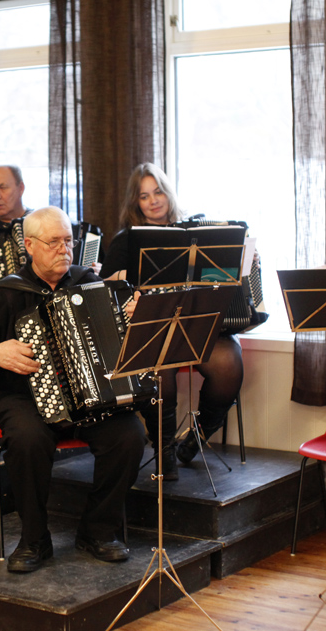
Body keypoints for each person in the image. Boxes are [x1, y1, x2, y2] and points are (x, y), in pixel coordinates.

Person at [0, 206, 147, 573]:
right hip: (23, 398)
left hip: (90, 399)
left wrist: (129, 317)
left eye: (68, 241)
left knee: (129, 434)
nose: (64, 249)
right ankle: (34, 537)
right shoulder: (7, 293)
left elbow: (118, 344)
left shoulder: (88, 282)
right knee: (27, 438)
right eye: (54, 242)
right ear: (29, 245)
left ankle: (98, 530)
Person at [102, 162, 244, 481]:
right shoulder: (128, 240)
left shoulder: (199, 233)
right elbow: (107, 288)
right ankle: (164, 448)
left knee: (230, 362)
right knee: (160, 370)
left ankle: (198, 436)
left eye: (158, 192)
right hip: (154, 328)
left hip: (198, 323)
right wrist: (123, 287)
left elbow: (220, 278)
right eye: (144, 196)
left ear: (168, 193)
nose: (153, 201)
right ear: (135, 202)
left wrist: (244, 261)